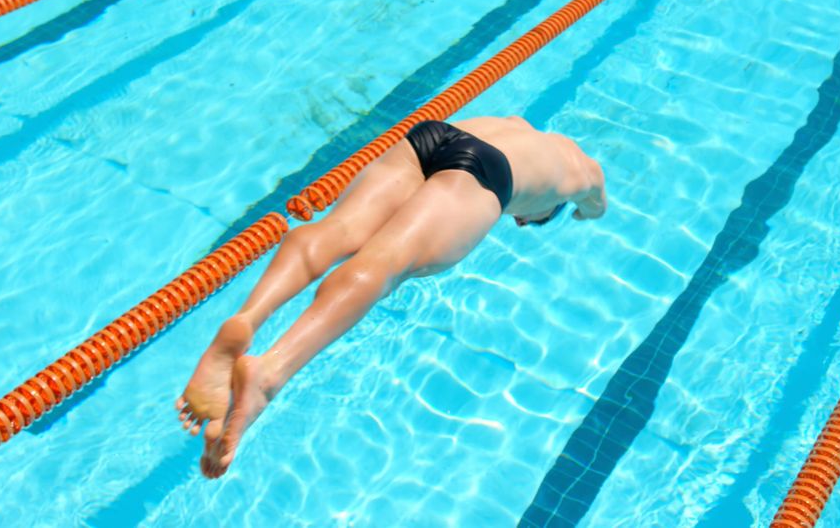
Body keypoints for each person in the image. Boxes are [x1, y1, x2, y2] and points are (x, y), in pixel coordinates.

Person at [175, 115, 607, 478]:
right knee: (383, 265)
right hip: (486, 169)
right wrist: (590, 210)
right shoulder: (575, 175)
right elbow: (598, 193)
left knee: (337, 230)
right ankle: (269, 373)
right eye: (529, 222)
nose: (520, 222)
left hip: (433, 136)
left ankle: (248, 319)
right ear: (543, 215)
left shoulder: (517, 126)